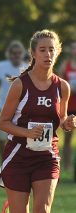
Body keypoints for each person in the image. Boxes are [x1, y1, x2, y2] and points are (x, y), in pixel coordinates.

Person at [0, 30, 76, 213]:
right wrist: (26, 133)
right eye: (42, 50)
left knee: (42, 212)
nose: (48, 54)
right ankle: (9, 212)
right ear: (33, 53)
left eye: (52, 50)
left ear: (57, 53)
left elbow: (59, 119)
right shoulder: (20, 84)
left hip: (46, 156)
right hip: (19, 155)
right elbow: (3, 123)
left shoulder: (62, 86)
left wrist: (66, 123)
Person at [0, 40, 27, 158]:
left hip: (21, 109)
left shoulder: (27, 67)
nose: (16, 55)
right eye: (14, 53)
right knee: (1, 139)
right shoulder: (1, 66)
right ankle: (3, 162)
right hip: (3, 107)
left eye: (19, 53)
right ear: (9, 54)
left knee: (21, 138)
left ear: (23, 54)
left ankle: (18, 163)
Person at [59, 41, 76, 171]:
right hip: (70, 105)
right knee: (68, 136)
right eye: (73, 48)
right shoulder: (65, 65)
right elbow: (58, 83)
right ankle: (66, 165)